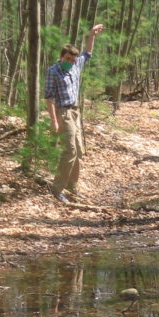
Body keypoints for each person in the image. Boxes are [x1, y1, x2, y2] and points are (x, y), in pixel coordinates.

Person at [45, 23, 104, 203]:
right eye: (68, 59)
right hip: (63, 113)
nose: (71, 62)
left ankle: (72, 187)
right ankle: (57, 189)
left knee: (78, 151)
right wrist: (54, 120)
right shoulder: (53, 71)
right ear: (62, 57)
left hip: (76, 112)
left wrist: (91, 36)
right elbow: (49, 98)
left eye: (73, 60)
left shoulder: (77, 65)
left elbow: (88, 53)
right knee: (69, 150)